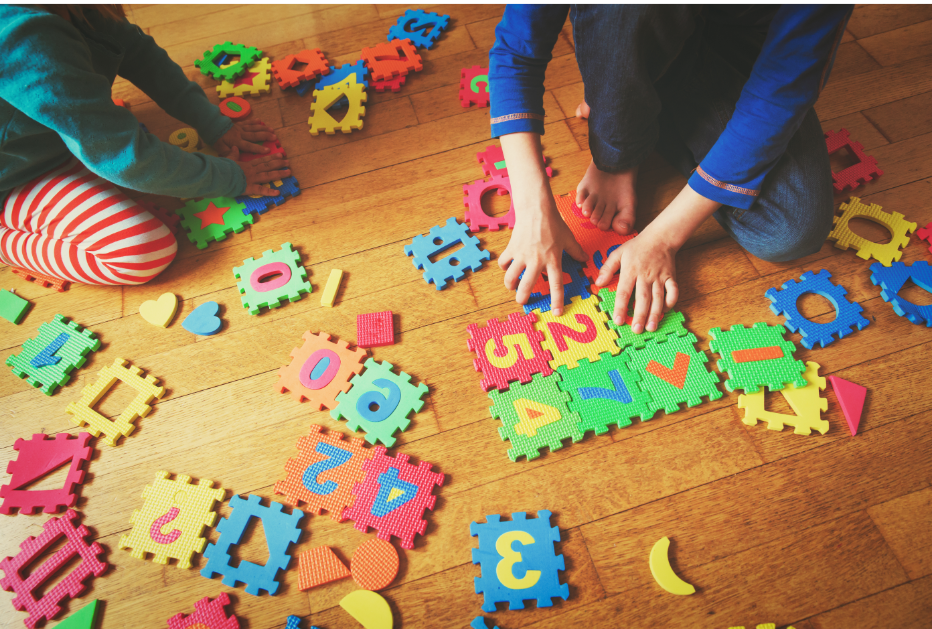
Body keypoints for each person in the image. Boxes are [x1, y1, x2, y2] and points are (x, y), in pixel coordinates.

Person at [489, 5, 852, 334]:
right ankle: (621, 132)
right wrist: (533, 210)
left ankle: (632, 106)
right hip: (634, 24)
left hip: (745, 47)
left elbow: (779, 96)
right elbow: (516, 53)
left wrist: (664, 237)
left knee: (790, 231)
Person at [0, 4, 290, 286]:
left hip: (51, 138)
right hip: (16, 178)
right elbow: (129, 160)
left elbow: (140, 55)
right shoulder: (22, 35)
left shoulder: (76, 9)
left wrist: (212, 123)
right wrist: (230, 177)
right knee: (144, 249)